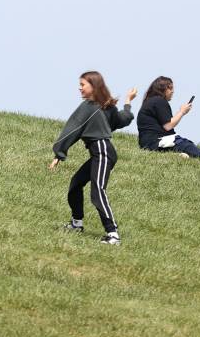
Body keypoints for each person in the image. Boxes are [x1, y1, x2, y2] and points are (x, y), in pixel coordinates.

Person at [50, 71, 136, 245]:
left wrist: (59, 153)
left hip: (103, 152)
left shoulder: (93, 106)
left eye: (83, 84)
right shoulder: (103, 105)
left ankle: (113, 234)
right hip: (100, 153)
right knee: (75, 184)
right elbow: (123, 119)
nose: (79, 88)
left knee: (97, 191)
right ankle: (77, 224)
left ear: (94, 86)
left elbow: (72, 128)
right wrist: (128, 102)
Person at [136, 76, 200, 164]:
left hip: (147, 143)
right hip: (155, 142)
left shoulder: (151, 101)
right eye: (170, 88)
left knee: (182, 144)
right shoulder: (159, 101)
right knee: (185, 144)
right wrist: (182, 112)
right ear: (162, 89)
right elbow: (168, 126)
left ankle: (179, 156)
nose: (173, 91)